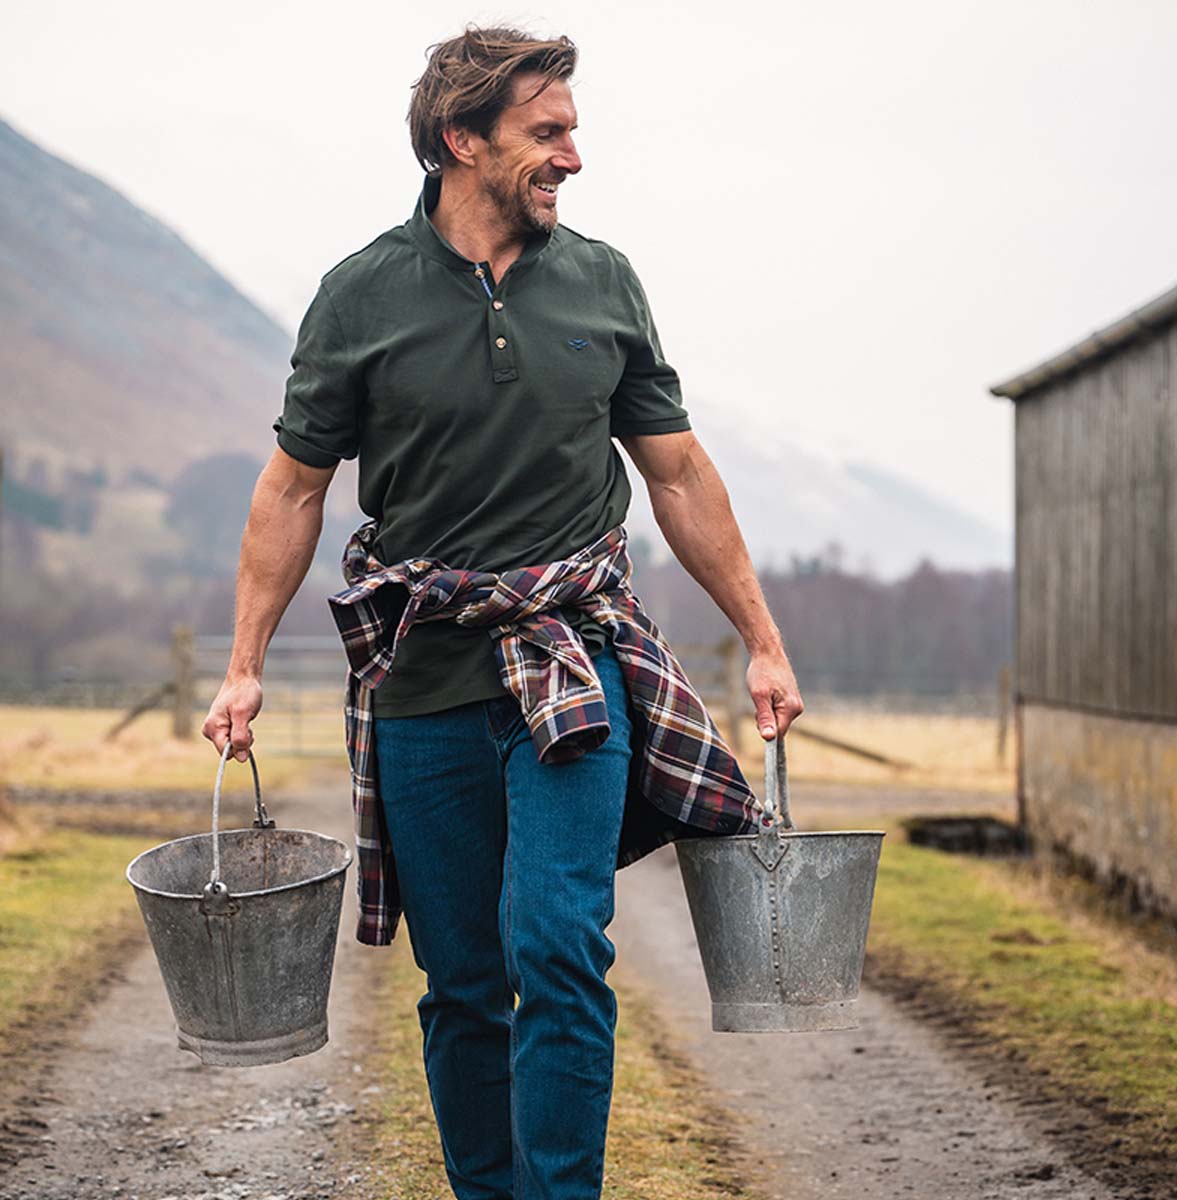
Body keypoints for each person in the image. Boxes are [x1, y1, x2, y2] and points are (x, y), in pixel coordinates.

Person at [203, 24, 804, 1200]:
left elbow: (676, 472)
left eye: (572, 131)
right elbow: (293, 488)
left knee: (559, 945)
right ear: (459, 140)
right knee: (464, 979)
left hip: (574, 661)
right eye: (548, 132)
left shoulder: (604, 281)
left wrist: (766, 640)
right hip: (422, 677)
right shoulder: (361, 295)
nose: (573, 157)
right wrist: (242, 665)